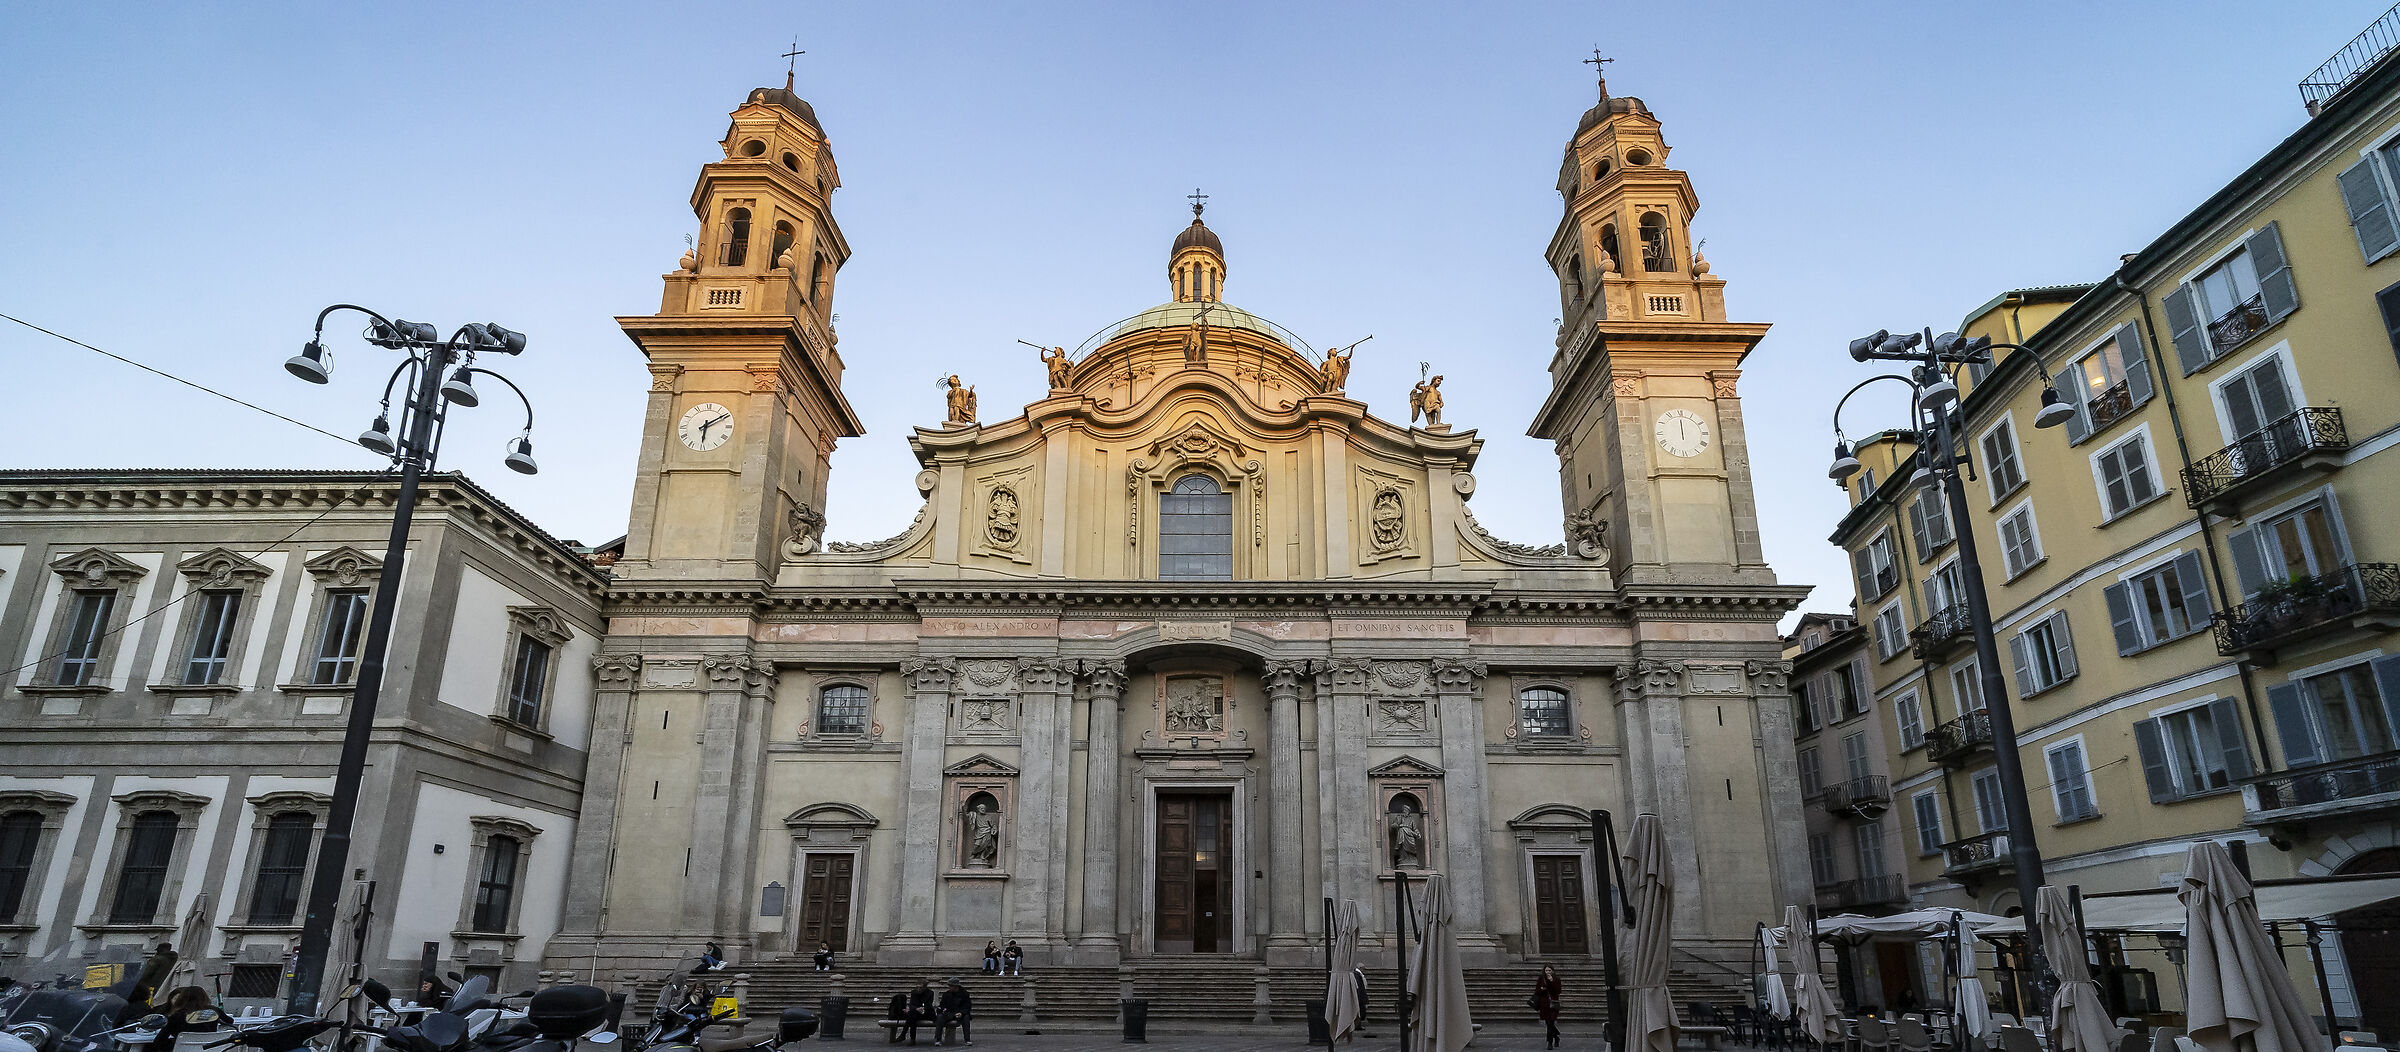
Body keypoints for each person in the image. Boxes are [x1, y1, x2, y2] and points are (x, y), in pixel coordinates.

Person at [157, 987, 223, 1045]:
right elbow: (230, 1021)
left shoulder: (176, 1016)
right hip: (210, 1048)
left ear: (182, 999)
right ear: (204, 997)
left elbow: (160, 1040)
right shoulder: (214, 1010)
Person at [1532, 965, 1564, 1050]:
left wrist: (1552, 981)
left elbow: (1558, 991)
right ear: (1544, 971)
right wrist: (1543, 989)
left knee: (1550, 1023)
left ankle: (1549, 1043)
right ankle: (1556, 1036)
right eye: (1546, 970)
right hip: (1544, 1005)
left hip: (1553, 1004)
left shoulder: (1556, 979)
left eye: (1550, 970)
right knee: (1549, 1024)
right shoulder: (1541, 979)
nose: (1548, 972)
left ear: (1553, 971)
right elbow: (1537, 991)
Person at [936, 978, 973, 1046]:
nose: (949, 987)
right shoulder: (946, 994)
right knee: (940, 1017)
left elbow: (967, 1006)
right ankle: (938, 1039)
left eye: (951, 986)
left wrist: (961, 1013)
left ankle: (967, 1039)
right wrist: (943, 1009)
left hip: (960, 1013)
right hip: (949, 1013)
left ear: (955, 986)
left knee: (966, 1018)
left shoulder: (964, 994)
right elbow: (942, 1005)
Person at [903, 980, 935, 1045]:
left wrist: (921, 1008)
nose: (918, 989)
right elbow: (911, 1005)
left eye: (920, 987)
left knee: (911, 1015)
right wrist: (916, 1008)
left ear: (925, 987)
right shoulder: (914, 992)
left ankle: (904, 1034)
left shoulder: (930, 993)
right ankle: (912, 1039)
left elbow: (928, 1005)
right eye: (917, 987)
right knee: (912, 1016)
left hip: (927, 1013)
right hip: (916, 1012)